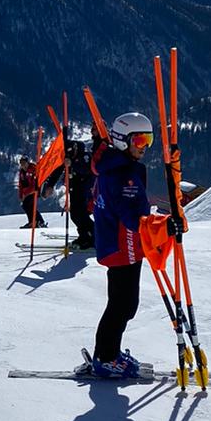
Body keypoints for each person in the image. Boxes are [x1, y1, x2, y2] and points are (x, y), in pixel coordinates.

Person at [89, 112, 155, 379]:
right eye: (139, 140)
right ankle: (106, 358)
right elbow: (132, 218)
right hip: (121, 246)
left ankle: (108, 353)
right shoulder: (121, 174)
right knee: (122, 305)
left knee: (124, 304)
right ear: (121, 140)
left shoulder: (118, 166)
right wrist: (163, 225)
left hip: (121, 244)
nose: (144, 147)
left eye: (148, 140)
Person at [67, 140, 96, 249]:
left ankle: (92, 236)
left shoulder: (85, 156)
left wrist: (72, 164)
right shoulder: (71, 159)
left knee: (81, 214)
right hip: (75, 191)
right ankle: (84, 235)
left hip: (85, 190)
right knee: (75, 215)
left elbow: (86, 169)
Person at [17, 155, 46, 229]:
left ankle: (36, 221)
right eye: (21, 163)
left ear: (28, 163)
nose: (23, 165)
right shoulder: (22, 172)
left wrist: (25, 193)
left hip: (35, 190)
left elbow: (34, 185)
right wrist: (21, 195)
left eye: (24, 163)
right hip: (27, 192)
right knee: (27, 205)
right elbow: (21, 184)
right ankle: (36, 221)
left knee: (27, 204)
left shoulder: (33, 169)